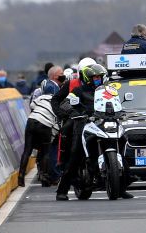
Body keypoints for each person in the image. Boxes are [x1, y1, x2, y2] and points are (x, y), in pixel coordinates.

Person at [52, 60, 131, 200]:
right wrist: (73, 112)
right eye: (95, 77)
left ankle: (122, 186)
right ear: (88, 78)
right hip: (84, 123)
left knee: (123, 139)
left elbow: (115, 103)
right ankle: (62, 191)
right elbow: (65, 102)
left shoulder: (109, 90)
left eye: (99, 77)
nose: (97, 79)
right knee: (76, 154)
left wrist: (120, 111)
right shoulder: (78, 90)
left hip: (104, 122)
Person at [18, 92, 60, 187]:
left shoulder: (43, 96)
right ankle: (44, 178)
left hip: (32, 120)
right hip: (45, 124)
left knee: (27, 150)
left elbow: (32, 105)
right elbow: (57, 126)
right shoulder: (59, 103)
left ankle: (21, 176)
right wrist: (51, 139)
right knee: (45, 151)